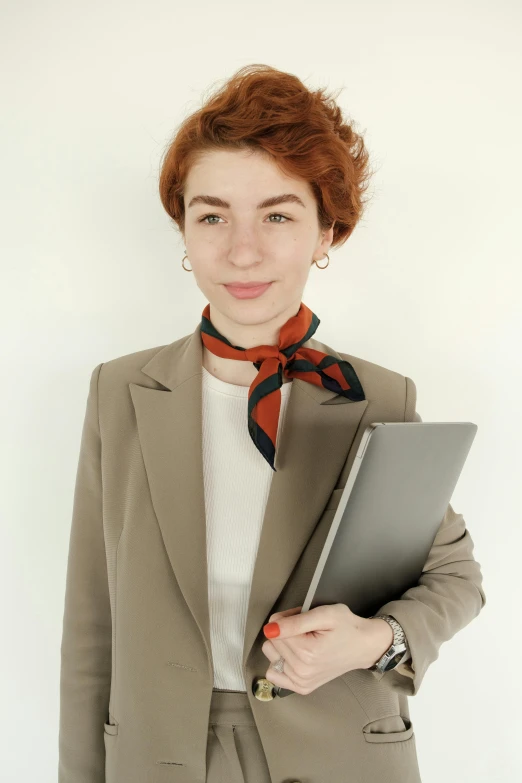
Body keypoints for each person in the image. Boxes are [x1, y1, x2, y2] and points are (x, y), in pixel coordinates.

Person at [58, 64, 486, 783]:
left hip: (339, 754)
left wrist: (374, 640)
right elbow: (90, 625)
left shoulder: (372, 395)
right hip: (161, 758)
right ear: (185, 229)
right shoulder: (121, 390)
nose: (242, 251)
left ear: (328, 230)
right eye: (213, 215)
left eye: (278, 215)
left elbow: (456, 575)